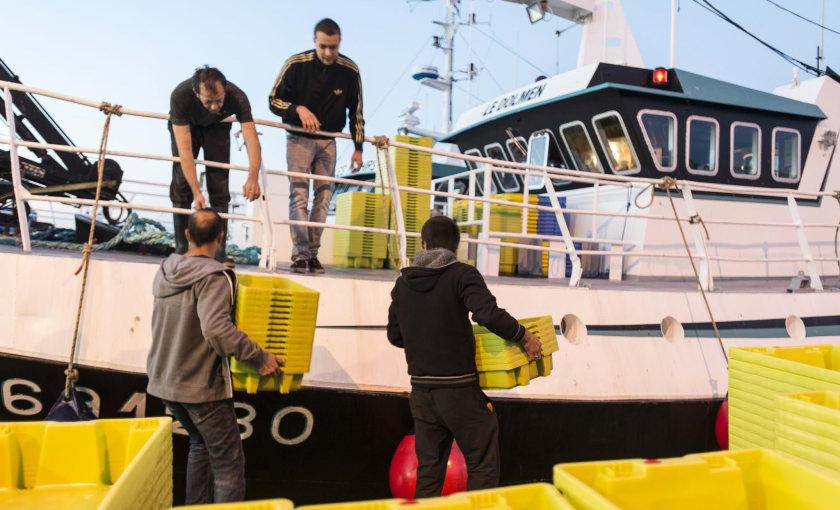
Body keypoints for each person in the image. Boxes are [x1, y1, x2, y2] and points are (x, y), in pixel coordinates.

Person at [386, 215, 542, 497]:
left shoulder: (403, 283)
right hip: (458, 390)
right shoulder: (462, 274)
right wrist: (525, 336)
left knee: (429, 471)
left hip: (421, 392)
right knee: (482, 464)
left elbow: (395, 336)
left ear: (423, 244)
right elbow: (487, 315)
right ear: (455, 247)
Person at [146, 209, 283, 504]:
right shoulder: (215, 277)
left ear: (186, 235)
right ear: (221, 237)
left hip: (163, 382)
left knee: (200, 444)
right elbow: (216, 329)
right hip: (200, 389)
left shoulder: (165, 270)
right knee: (228, 464)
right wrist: (259, 357)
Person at [268, 17, 365, 274]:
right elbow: (273, 100)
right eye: (323, 46)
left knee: (324, 198)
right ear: (314, 42)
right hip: (298, 139)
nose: (328, 52)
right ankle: (300, 256)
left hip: (329, 142)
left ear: (339, 43)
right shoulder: (296, 64)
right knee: (299, 196)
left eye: (333, 47)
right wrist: (298, 109)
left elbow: (356, 111)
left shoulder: (350, 70)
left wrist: (358, 147)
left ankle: (312, 254)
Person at [169, 66, 263, 264]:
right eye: (208, 102)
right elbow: (185, 153)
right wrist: (196, 191)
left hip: (218, 126)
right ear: (196, 93)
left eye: (218, 100)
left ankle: (219, 251)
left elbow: (252, 138)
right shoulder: (181, 95)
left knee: (219, 182)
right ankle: (181, 247)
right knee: (180, 182)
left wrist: (253, 177)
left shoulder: (237, 97)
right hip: (188, 127)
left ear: (225, 89)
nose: (214, 106)